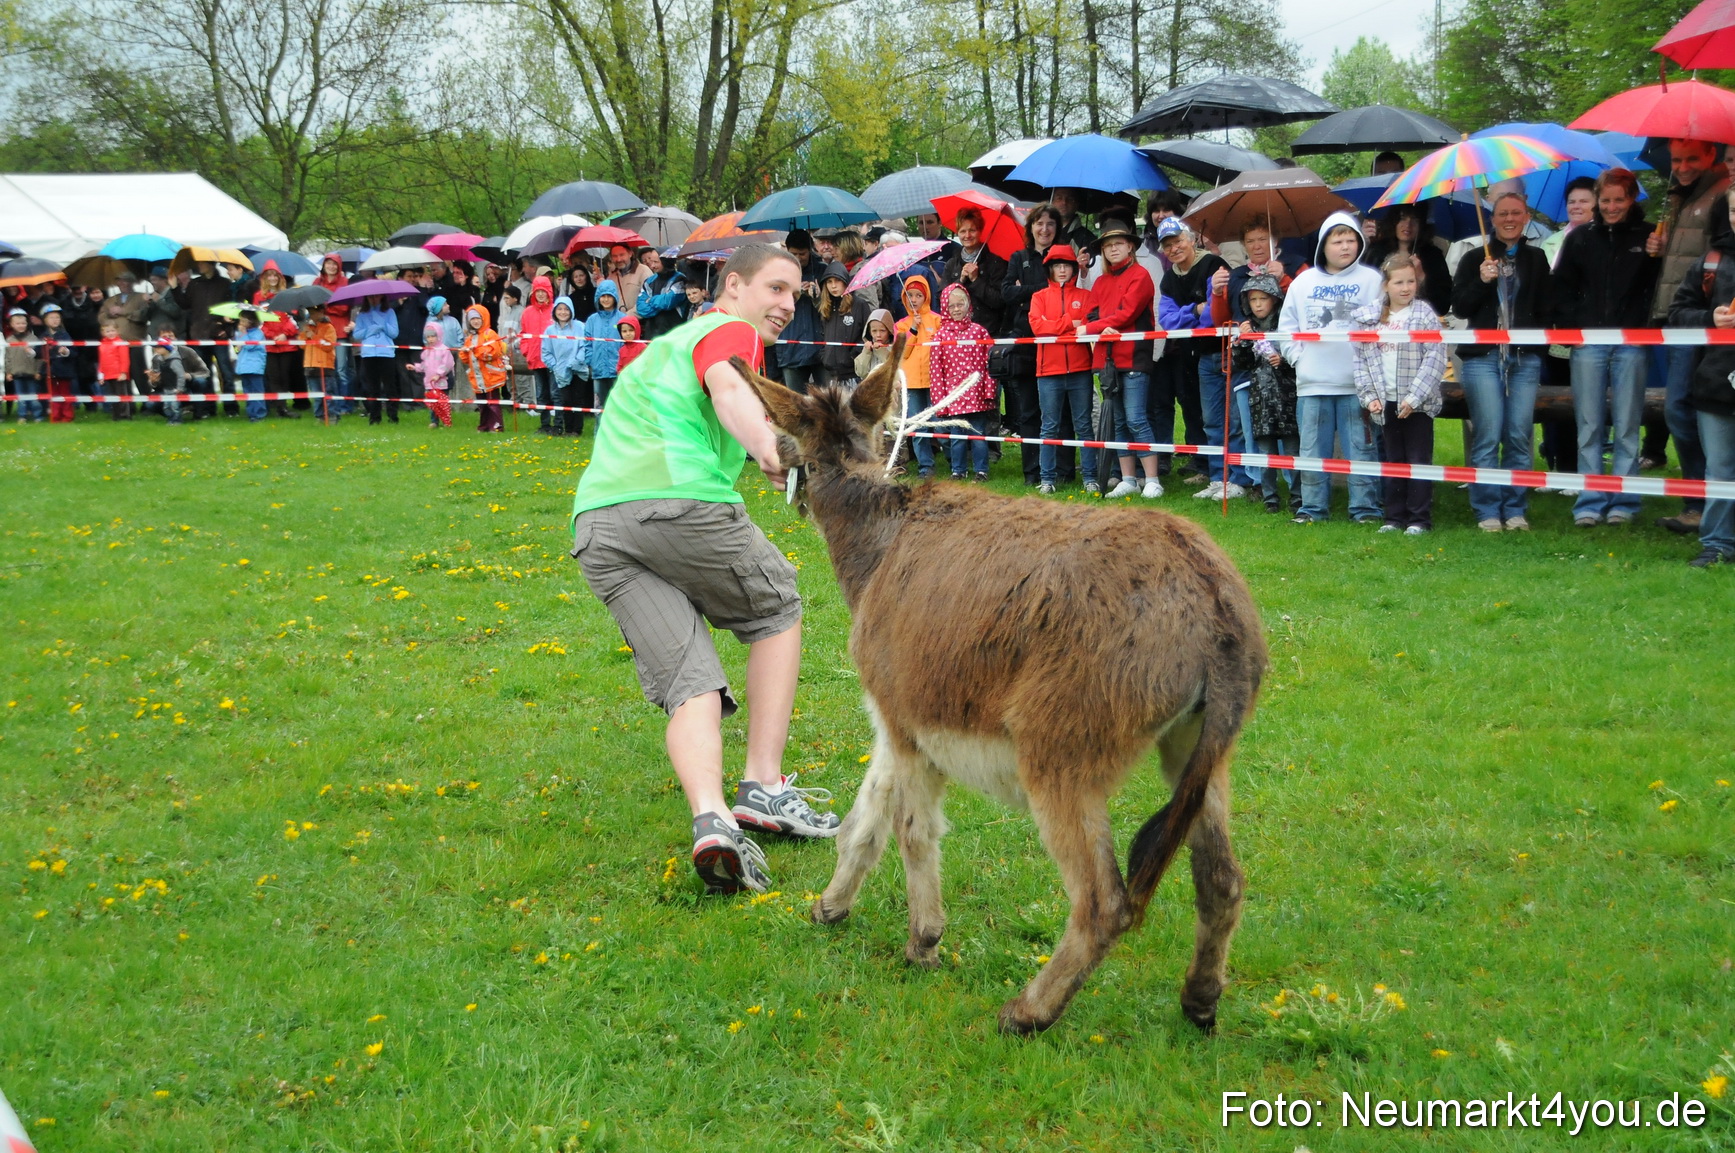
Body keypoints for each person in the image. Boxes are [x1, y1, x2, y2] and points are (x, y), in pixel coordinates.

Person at [569, 243, 833, 894]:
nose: (785, 305)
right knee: (776, 607)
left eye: (794, 295)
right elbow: (727, 387)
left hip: (597, 525)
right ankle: (763, 787)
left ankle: (712, 821)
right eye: (775, 288)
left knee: (691, 681)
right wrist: (771, 449)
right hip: (676, 503)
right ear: (734, 284)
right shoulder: (728, 330)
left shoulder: (665, 343)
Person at [1552, 168, 1658, 527]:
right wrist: (1572, 329)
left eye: (1619, 199)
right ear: (1598, 201)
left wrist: (1658, 254)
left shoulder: (1650, 236)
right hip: (1590, 342)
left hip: (1632, 341)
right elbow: (1562, 287)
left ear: (1632, 200)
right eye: (1606, 199)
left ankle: (1625, 500)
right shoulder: (1581, 237)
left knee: (1627, 423)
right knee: (1589, 423)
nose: (1612, 207)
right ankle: (1590, 499)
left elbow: (1659, 286)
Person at [1451, 191, 1553, 531]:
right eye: (1502, 214)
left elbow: (1545, 308)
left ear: (1526, 218)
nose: (1509, 219)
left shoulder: (1536, 259)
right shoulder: (1474, 258)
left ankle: (1515, 508)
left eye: (1516, 213)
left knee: (1519, 433)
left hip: (1524, 359)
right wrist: (1482, 281)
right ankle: (1488, 510)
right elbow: (1461, 308)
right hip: (1483, 358)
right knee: (1488, 432)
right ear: (1492, 220)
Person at [1279, 209, 1386, 524]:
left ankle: (1365, 509)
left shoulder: (1373, 280)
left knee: (1361, 450)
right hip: (1312, 384)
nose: (1345, 246)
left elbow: (1383, 324)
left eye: (1351, 239)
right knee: (1312, 451)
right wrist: (1300, 359)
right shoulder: (1302, 283)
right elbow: (1286, 328)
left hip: (1358, 386)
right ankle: (1312, 509)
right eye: (1338, 240)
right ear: (1323, 245)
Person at [1648, 138, 1731, 536]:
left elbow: (1717, 253)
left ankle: (1709, 504)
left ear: (1711, 157)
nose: (1681, 166)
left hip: (1714, 318)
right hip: (1683, 316)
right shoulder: (1680, 196)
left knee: (1694, 409)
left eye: (1690, 158)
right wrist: (1660, 248)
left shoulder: (1720, 193)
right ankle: (1699, 501)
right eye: (1676, 159)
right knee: (1679, 409)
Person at [1352, 254, 1448, 534]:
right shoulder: (1368, 318)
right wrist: (1369, 397)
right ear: (1385, 285)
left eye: (1411, 281)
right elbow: (1361, 361)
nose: (1405, 288)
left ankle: (1419, 518)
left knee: (1418, 460)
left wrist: (1414, 398)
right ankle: (1394, 517)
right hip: (1385, 401)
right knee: (1393, 460)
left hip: (1416, 404)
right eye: (1399, 282)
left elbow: (1435, 359)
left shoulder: (1424, 315)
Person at [1669, 185, 1735, 567]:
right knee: (1721, 467)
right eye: (1733, 211)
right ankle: (1717, 543)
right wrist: (1710, 319)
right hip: (1717, 378)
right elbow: (1679, 313)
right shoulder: (1711, 260)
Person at [1157, 219, 1238, 495]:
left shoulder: (1213, 265)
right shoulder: (1168, 278)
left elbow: (1214, 316)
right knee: (1210, 419)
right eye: (1167, 245)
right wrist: (1193, 310)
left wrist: (1196, 316)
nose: (1174, 248)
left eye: (1178, 241)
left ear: (1191, 240)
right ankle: (1216, 477)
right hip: (1194, 355)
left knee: (1232, 420)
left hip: (1224, 351)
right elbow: (1167, 321)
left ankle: (1237, 478)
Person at [1084, 221, 1162, 499]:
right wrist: (1098, 326)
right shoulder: (1101, 281)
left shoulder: (1140, 275)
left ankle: (1152, 479)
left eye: (1118, 243)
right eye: (1107, 246)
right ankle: (1128, 478)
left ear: (1130, 246)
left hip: (1134, 355)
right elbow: (1090, 314)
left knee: (1136, 418)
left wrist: (1096, 327)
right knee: (1117, 421)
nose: (1112, 249)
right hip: (1106, 359)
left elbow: (1127, 314)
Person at [1002, 203, 1066, 485]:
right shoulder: (1018, 257)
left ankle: (1063, 471)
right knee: (1028, 411)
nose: (1044, 229)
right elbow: (1007, 292)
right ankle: (1032, 472)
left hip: (1058, 343)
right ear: (1031, 228)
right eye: (1039, 223)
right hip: (1025, 343)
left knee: (1060, 412)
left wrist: (1025, 293)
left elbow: (1066, 292)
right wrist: (1039, 291)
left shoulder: (1064, 258)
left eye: (1050, 224)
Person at [1027, 244, 1097, 494]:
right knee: (1049, 426)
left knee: (1084, 426)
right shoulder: (1039, 297)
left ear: (1074, 268)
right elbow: (1037, 328)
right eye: (1057, 265)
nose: (1062, 270)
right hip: (1048, 371)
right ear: (1049, 269)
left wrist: (1053, 324)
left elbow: (1087, 325)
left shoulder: (1086, 296)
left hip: (1080, 369)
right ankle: (1047, 479)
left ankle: (1090, 478)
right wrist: (1069, 323)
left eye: (1066, 265)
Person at [1236, 274, 1299, 513]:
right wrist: (1242, 341)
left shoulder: (1287, 326)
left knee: (1293, 450)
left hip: (1288, 397)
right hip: (1260, 400)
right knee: (1265, 451)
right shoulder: (1247, 329)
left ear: (1275, 300)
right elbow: (1241, 363)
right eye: (1253, 299)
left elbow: (1299, 361)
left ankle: (1297, 496)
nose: (1259, 304)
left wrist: (1282, 361)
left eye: (1264, 298)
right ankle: (1270, 497)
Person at [929, 283, 998, 481]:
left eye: (961, 304)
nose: (957, 309)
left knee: (978, 435)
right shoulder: (940, 336)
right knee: (957, 436)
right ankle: (958, 470)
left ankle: (981, 470)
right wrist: (939, 400)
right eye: (952, 306)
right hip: (954, 395)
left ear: (969, 305)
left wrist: (989, 391)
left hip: (976, 394)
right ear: (945, 308)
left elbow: (989, 365)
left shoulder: (980, 332)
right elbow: (936, 371)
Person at [893, 275, 943, 478]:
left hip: (934, 381)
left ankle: (953, 461)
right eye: (910, 295)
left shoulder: (937, 320)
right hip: (912, 382)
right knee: (917, 426)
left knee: (940, 422)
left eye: (918, 295)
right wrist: (913, 328)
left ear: (926, 296)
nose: (914, 299)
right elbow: (902, 352)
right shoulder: (901, 325)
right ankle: (925, 466)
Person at [1363, 205, 1452, 317]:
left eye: (1415, 219)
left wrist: (1422, 279)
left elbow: (1442, 306)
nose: (1408, 225)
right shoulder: (1376, 252)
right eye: (1402, 218)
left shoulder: (1433, 256)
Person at [774, 230, 829, 392]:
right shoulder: (777, 273)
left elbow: (832, 309)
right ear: (787, 251)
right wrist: (793, 293)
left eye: (802, 254)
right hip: (790, 347)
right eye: (793, 254)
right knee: (795, 403)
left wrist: (817, 297)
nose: (798, 258)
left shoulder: (822, 270)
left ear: (810, 250)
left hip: (821, 347)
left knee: (828, 403)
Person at [941, 208, 1008, 336]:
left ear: (980, 231)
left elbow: (1000, 300)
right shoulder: (951, 264)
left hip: (988, 332)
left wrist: (976, 281)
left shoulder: (996, 262)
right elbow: (942, 299)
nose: (967, 235)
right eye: (963, 231)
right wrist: (959, 281)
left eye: (972, 230)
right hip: (957, 333)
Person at [817, 262, 872, 387]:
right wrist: (824, 356)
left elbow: (868, 335)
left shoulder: (859, 305)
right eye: (829, 282)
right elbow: (821, 335)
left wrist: (853, 356)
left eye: (837, 280)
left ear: (845, 282)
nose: (833, 286)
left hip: (855, 375)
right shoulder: (826, 308)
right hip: (832, 375)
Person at [543, 295, 591, 437]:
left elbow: (585, 346)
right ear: (555, 311)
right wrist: (556, 367)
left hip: (578, 370)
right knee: (565, 400)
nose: (563, 312)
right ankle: (568, 429)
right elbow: (546, 352)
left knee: (577, 400)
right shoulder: (549, 331)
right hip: (561, 373)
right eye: (560, 309)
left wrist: (575, 363)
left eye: (566, 309)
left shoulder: (580, 327)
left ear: (571, 311)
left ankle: (577, 430)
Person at [458, 303, 508, 433]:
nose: (475, 321)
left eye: (478, 318)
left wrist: (476, 352)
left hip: (491, 377)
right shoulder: (469, 338)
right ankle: (484, 425)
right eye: (472, 319)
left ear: (483, 318)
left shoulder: (490, 334)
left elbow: (493, 352)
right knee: (482, 404)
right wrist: (463, 352)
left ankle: (497, 426)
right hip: (478, 378)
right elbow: (465, 359)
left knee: (493, 404)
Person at [146, 321, 208, 426]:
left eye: (170, 336)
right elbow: (156, 383)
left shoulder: (188, 351)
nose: (168, 339)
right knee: (150, 403)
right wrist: (153, 381)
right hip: (167, 388)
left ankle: (199, 413)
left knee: (200, 382)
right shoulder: (157, 358)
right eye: (164, 337)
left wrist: (189, 376)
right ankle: (173, 416)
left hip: (187, 387)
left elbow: (205, 372)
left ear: (176, 338)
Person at [352, 294, 401, 424]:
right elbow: (357, 334)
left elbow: (394, 333)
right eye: (370, 297)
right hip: (368, 354)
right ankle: (374, 417)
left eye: (376, 297)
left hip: (386, 353)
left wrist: (383, 325)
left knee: (390, 386)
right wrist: (370, 330)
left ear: (382, 297)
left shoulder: (389, 312)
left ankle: (393, 416)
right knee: (371, 388)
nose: (373, 299)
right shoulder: (362, 314)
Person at [520, 275, 557, 432]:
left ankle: (559, 424)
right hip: (535, 359)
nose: (541, 295)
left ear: (549, 292)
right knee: (541, 394)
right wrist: (526, 351)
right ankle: (545, 424)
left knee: (555, 393)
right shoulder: (527, 312)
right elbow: (523, 334)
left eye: (543, 291)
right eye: (538, 291)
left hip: (553, 360)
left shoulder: (556, 310)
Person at [583, 279, 626, 411]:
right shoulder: (592, 320)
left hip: (617, 370)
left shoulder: (622, 318)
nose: (606, 299)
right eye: (603, 296)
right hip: (598, 370)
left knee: (618, 406)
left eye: (609, 296)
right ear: (598, 298)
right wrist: (591, 361)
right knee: (599, 406)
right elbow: (587, 343)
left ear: (615, 297)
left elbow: (627, 343)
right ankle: (599, 431)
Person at [411, 322, 453, 428]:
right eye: (428, 337)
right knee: (433, 404)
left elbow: (448, 364)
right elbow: (425, 365)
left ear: (438, 335)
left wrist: (439, 374)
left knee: (442, 403)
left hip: (442, 382)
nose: (430, 339)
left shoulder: (444, 349)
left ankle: (446, 421)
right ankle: (434, 421)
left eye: (433, 336)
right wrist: (416, 367)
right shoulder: (427, 351)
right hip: (430, 383)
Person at [231, 306, 269, 422]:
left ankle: (259, 413)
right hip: (243, 366)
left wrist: (243, 334)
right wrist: (237, 345)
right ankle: (251, 413)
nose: (241, 323)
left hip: (254, 365)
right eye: (240, 320)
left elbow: (251, 345)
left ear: (251, 321)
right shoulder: (240, 333)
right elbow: (238, 348)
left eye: (243, 320)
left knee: (257, 390)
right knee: (247, 390)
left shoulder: (258, 333)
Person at [302, 304, 339, 422]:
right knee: (316, 395)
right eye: (309, 313)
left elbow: (328, 346)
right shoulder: (308, 327)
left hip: (325, 365)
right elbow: (301, 345)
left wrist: (313, 336)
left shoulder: (329, 327)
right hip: (310, 364)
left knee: (328, 393)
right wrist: (305, 335)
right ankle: (319, 416)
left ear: (321, 312)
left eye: (313, 313)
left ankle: (332, 415)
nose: (311, 316)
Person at [39, 305, 76, 422]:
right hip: (50, 370)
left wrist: (66, 351)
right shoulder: (43, 336)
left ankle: (67, 416)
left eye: (57, 317)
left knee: (65, 394)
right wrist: (30, 351)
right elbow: (38, 351)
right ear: (45, 320)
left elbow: (75, 351)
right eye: (51, 318)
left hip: (64, 370)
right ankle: (55, 416)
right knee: (53, 395)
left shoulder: (65, 335)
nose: (55, 320)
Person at [6, 308, 43, 423]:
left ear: (27, 323)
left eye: (23, 323)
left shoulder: (33, 338)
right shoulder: (9, 340)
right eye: (17, 323)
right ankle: (22, 416)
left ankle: (38, 416)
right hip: (16, 373)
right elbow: (7, 358)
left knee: (34, 397)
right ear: (11, 324)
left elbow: (39, 357)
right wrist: (8, 372)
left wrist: (38, 371)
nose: (21, 326)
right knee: (20, 397)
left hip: (31, 373)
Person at [97, 321, 132, 420]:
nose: (110, 333)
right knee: (113, 397)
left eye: (113, 330)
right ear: (103, 333)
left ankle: (125, 415)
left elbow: (125, 359)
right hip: (108, 374)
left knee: (122, 396)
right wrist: (101, 375)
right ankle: (116, 416)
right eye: (108, 331)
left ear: (117, 331)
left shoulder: (121, 343)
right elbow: (101, 361)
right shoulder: (102, 344)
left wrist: (123, 372)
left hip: (118, 374)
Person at [1049, 187, 1098, 251]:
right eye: (1059, 198)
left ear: (1076, 205)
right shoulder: (1043, 232)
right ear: (1052, 202)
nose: (1064, 202)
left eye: (1070, 199)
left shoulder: (1086, 238)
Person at [852, 309, 895, 381]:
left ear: (889, 330)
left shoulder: (894, 347)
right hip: (871, 388)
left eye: (882, 331)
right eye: (874, 331)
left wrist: (881, 351)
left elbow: (893, 369)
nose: (878, 335)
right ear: (869, 331)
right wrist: (866, 353)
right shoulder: (868, 347)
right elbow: (861, 372)